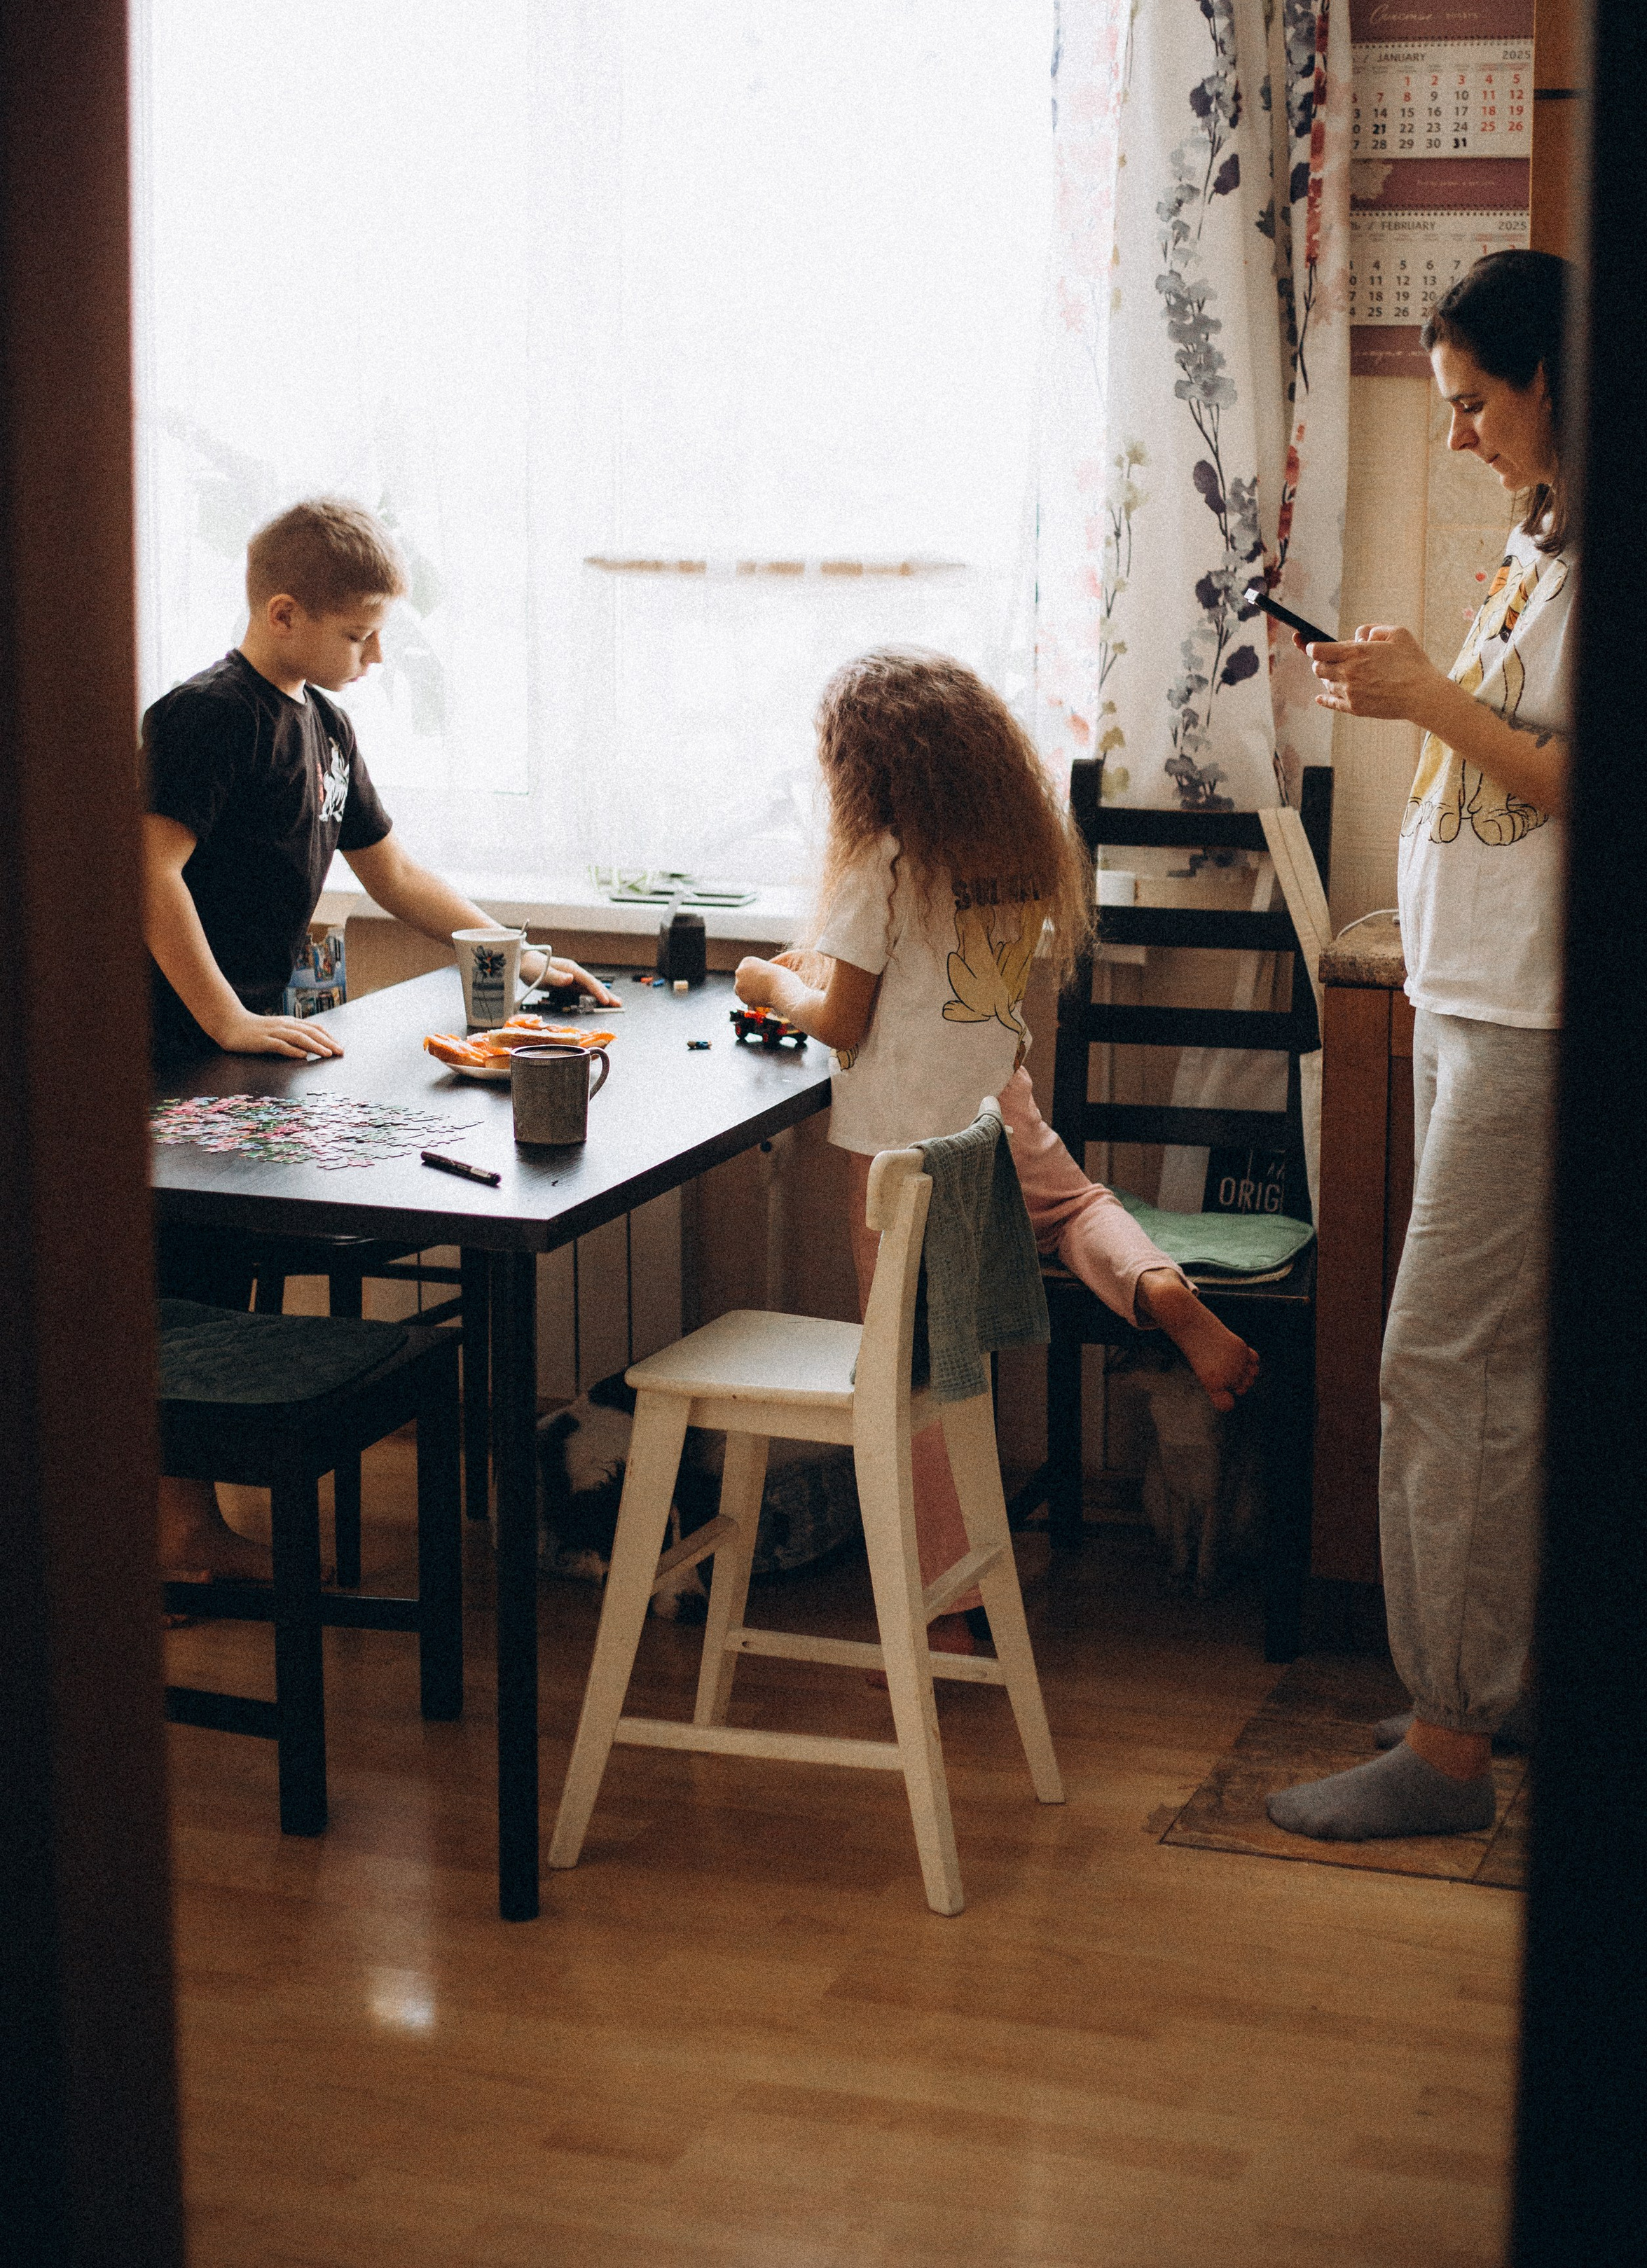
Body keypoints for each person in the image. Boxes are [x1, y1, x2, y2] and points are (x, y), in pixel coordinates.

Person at [734, 649, 1259, 1658]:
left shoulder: (881, 859)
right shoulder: (1016, 842)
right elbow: (938, 979)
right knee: (1073, 1211)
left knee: (916, 1366)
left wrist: (768, 983)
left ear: (865, 768)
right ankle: (1161, 1288)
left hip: (903, 1145)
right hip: (997, 1103)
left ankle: (953, 1604)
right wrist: (829, 975)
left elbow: (843, 1024)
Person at [146, 495, 605, 1582]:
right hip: (171, 1036)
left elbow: (392, 874)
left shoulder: (324, 723)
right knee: (186, 1285)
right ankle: (169, 1533)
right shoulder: (206, 716)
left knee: (228, 1273)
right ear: (283, 611)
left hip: (248, 1038)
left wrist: (523, 956)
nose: (377, 654)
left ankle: (186, 1525)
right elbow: (151, 869)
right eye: (359, 633)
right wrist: (221, 1014)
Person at [1267, 250, 1574, 1839]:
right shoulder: (1541, 539)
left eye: (1470, 403)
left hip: (1530, 1015)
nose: (1454, 433)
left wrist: (1425, 703)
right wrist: (1407, 689)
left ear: (1549, 383)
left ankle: (1447, 1747)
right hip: (1473, 991)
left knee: (1436, 1363)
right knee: (1485, 1376)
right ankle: (1482, 1695)